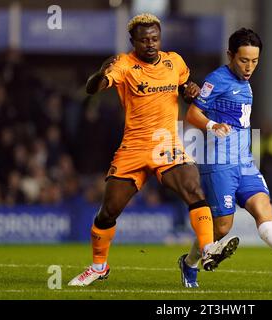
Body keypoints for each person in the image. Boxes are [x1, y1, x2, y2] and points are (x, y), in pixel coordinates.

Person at [68, 13, 237, 287]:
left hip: (166, 144)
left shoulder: (175, 61)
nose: (150, 44)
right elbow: (92, 89)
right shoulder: (123, 65)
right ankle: (99, 266)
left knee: (193, 190)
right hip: (133, 148)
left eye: (155, 38)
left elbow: (184, 88)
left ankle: (207, 250)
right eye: (144, 40)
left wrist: (190, 91)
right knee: (108, 212)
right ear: (133, 41)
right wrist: (100, 73)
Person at [178, 28, 272, 288]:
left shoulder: (245, 83)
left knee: (263, 208)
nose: (249, 67)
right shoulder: (217, 79)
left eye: (255, 61)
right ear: (230, 55)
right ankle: (189, 263)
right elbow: (192, 115)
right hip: (219, 164)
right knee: (222, 228)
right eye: (244, 60)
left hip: (244, 162)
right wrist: (212, 126)